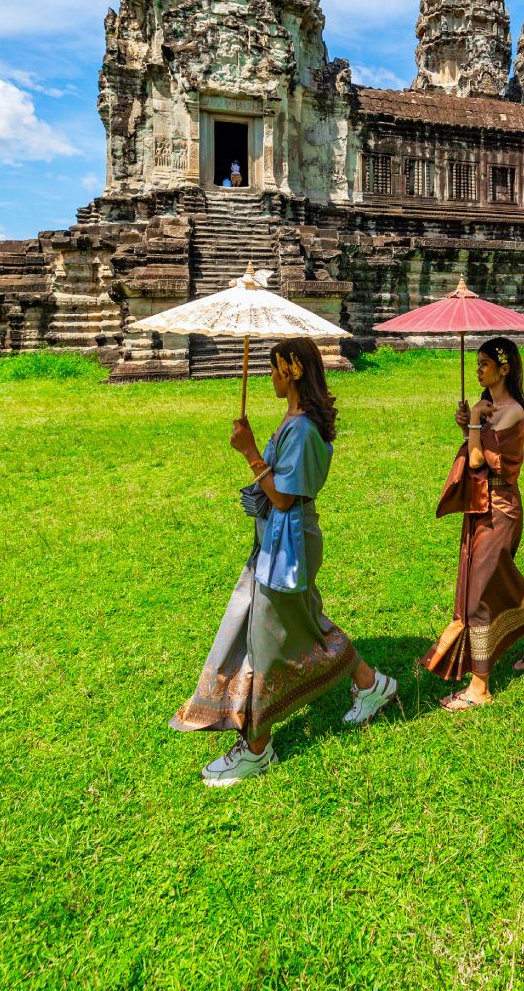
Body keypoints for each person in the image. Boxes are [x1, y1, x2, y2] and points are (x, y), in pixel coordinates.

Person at [170, 336, 397, 785]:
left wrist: (250, 452)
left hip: (289, 542)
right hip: (278, 540)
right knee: (307, 624)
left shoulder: (305, 429)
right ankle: (372, 684)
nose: (269, 376)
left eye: (274, 368)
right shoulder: (292, 420)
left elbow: (283, 495)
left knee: (266, 639)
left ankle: (257, 748)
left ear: (292, 369)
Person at [422, 337, 524, 710]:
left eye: (484, 364)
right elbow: (476, 448)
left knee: (480, 594)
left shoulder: (510, 410)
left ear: (504, 369)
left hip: (499, 508)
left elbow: (479, 461)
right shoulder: (492, 406)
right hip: (482, 505)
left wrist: (476, 421)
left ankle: (479, 688)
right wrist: (469, 425)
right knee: (497, 581)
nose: (478, 370)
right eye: (477, 363)